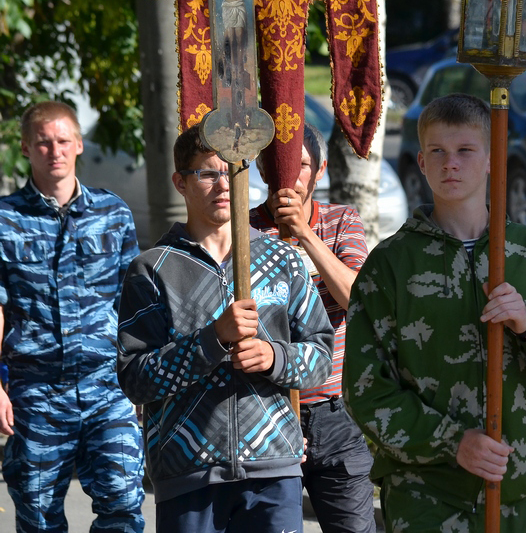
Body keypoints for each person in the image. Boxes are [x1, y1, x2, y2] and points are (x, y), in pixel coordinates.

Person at [343, 93, 526, 532]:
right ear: (421, 162)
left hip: (513, 495)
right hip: (425, 498)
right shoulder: (391, 265)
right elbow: (365, 392)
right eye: (437, 151)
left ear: (491, 160)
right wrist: (453, 442)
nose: (451, 164)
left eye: (465, 150)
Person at [116, 125, 334, 533]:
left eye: (231, 172)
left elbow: (322, 356)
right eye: (207, 173)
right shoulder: (152, 270)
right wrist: (211, 340)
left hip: (274, 471)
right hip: (188, 475)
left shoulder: (282, 260)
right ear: (180, 182)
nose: (222, 185)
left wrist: (274, 357)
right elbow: (135, 379)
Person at [0, 101, 144, 532]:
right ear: (26, 148)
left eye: (63, 141)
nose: (55, 151)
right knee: (38, 515)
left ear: (79, 144)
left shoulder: (113, 214)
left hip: (107, 386)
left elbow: (134, 305)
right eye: (43, 142)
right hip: (35, 392)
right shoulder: (5, 220)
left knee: (123, 502)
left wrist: (141, 376)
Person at [250, 123, 376, 533]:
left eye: (301, 166)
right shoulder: (243, 230)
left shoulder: (341, 221)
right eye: (278, 166)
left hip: (333, 412)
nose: (289, 178)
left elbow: (357, 298)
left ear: (319, 171)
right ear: (261, 169)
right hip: (266, 412)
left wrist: (304, 235)